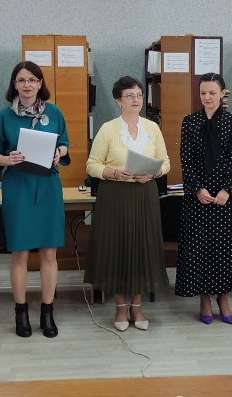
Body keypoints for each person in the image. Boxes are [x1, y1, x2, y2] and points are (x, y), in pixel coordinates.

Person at [0, 61, 69, 339]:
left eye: (32, 80)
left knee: (49, 252)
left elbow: (64, 144)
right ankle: (21, 312)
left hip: (48, 187)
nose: (27, 85)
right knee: (20, 253)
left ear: (40, 83)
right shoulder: (3, 116)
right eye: (21, 80)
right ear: (14, 84)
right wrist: (7, 159)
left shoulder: (54, 112)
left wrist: (59, 151)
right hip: (18, 188)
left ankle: (47, 312)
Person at [84, 76, 171, 331]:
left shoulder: (152, 128)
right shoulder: (108, 129)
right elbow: (92, 165)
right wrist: (113, 173)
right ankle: (120, 307)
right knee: (117, 249)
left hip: (144, 194)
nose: (136, 100)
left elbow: (165, 162)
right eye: (130, 95)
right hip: (115, 195)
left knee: (142, 249)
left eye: (139, 95)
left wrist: (154, 173)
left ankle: (137, 307)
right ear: (118, 101)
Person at [175, 73, 232, 324]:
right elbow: (186, 161)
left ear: (222, 94)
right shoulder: (190, 122)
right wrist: (197, 189)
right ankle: (204, 299)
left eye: (212, 93)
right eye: (203, 93)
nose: (207, 97)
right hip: (199, 197)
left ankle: (223, 298)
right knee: (200, 250)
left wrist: (227, 190)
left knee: (225, 250)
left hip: (226, 197)